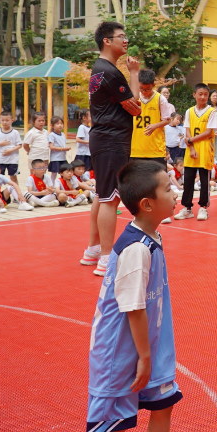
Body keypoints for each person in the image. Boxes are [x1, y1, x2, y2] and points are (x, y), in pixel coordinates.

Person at [87, 160, 181, 432]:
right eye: (167, 189)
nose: (175, 193)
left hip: (150, 344)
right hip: (121, 351)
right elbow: (133, 308)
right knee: (110, 423)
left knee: (165, 403)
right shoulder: (136, 249)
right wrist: (145, 356)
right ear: (147, 204)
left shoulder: (152, 238)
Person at [86, 21, 141, 276]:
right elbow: (135, 106)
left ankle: (93, 249)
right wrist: (135, 73)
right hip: (111, 139)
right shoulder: (109, 71)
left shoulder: (100, 69)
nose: (125, 40)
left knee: (102, 194)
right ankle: (106, 258)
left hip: (102, 138)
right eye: (121, 36)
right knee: (110, 198)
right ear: (107, 41)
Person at [174, 83, 217, 221]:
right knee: (188, 179)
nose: (203, 97)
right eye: (200, 94)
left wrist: (191, 140)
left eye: (205, 94)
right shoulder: (189, 111)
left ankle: (203, 207)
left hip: (205, 149)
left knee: (205, 180)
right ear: (194, 95)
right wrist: (192, 146)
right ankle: (187, 208)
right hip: (191, 150)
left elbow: (208, 132)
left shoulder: (212, 111)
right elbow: (187, 129)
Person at [130, 69, 173, 168]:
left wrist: (155, 125)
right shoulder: (134, 98)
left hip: (156, 150)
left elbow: (167, 119)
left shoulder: (160, 99)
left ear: (153, 85)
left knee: (158, 181)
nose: (144, 92)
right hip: (136, 149)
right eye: (141, 88)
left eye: (147, 89)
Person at [0, 111, 22, 184]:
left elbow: (19, 145)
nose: (4, 122)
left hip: (12, 159)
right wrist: (0, 143)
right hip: (0, 159)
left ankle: (16, 193)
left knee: (13, 176)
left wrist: (10, 150)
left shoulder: (15, 132)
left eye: (7, 120)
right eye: (2, 120)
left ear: (12, 120)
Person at [47, 116, 71, 186]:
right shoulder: (52, 135)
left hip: (63, 158)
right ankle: (51, 186)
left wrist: (66, 148)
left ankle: (63, 186)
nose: (60, 125)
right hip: (55, 158)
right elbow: (51, 146)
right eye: (57, 124)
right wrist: (63, 149)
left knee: (64, 173)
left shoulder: (63, 134)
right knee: (54, 174)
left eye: (61, 123)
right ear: (52, 125)